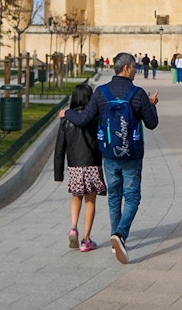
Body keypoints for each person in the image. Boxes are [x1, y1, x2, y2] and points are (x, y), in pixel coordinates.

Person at [61, 52, 159, 264]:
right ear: (126, 68)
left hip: (109, 155)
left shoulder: (101, 92)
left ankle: (117, 240)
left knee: (115, 197)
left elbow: (84, 118)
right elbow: (152, 124)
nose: (135, 70)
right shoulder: (138, 93)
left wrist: (66, 113)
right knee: (133, 197)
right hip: (132, 155)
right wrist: (151, 104)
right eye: (133, 67)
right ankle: (120, 235)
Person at [54, 83, 107, 252]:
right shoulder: (94, 118)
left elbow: (59, 148)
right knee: (90, 200)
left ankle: (73, 227)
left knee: (76, 196)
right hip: (92, 163)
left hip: (74, 166)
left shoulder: (66, 120)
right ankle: (86, 240)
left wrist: (58, 173)